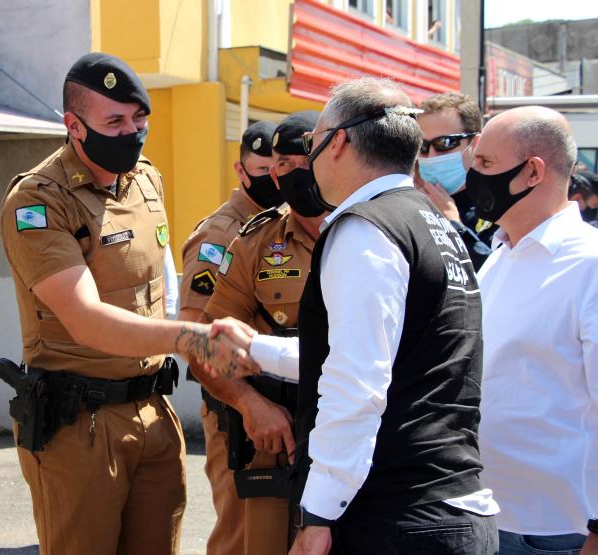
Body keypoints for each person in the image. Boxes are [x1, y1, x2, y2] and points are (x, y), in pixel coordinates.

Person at [210, 77, 499, 555]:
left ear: (338, 141)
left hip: (392, 516)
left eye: (312, 143)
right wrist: (255, 350)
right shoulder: (432, 223)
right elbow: (387, 351)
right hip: (446, 504)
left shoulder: (366, 229)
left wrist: (318, 513)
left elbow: (356, 383)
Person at [0, 52, 257, 555]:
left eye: (140, 119)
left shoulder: (145, 179)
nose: (132, 133)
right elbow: (86, 320)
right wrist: (193, 337)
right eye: (113, 121)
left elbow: (156, 280)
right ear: (74, 126)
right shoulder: (39, 202)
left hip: (153, 410)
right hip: (80, 426)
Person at [192, 111, 326, 555]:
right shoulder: (252, 242)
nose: (292, 175)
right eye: (281, 165)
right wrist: (250, 404)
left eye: (304, 161)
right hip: (274, 433)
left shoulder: (373, 231)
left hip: (353, 430)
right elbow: (204, 341)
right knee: (252, 543)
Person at [467, 106, 598, 555]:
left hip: (557, 531)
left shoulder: (590, 265)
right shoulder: (501, 255)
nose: (471, 178)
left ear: (532, 173)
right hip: (487, 519)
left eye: (484, 164)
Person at [177, 119, 279, 555]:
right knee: (241, 535)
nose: (275, 179)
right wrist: (245, 402)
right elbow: (196, 332)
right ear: (241, 172)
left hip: (281, 410)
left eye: (283, 168)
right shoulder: (220, 235)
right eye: (262, 170)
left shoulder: (286, 223)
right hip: (239, 412)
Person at [415, 92, 494, 269]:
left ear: (475, 144)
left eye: (445, 143)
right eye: (423, 146)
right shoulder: (409, 201)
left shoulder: (498, 206)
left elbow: (496, 275)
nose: (432, 156)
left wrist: (454, 225)